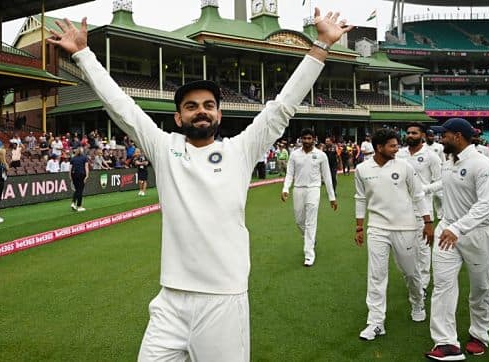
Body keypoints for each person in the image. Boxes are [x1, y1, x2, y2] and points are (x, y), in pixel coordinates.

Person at [48, 8, 352, 361]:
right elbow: (123, 108)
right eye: (191, 107)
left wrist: (321, 46)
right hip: (171, 300)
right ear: (178, 118)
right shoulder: (165, 148)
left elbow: (282, 107)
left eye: (209, 105)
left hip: (223, 298)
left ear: (219, 115)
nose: (201, 111)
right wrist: (84, 55)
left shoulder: (240, 150)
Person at [424, 118, 489, 360]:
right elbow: (446, 187)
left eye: (443, 135)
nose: (439, 139)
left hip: (478, 234)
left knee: (482, 287)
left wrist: (459, 227)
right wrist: (424, 189)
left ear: (457, 136)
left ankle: (479, 334)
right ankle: (446, 343)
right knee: (443, 285)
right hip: (448, 231)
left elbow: (487, 205)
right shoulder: (449, 162)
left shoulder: (483, 165)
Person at [354, 129, 433, 341]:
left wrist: (428, 222)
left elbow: (418, 195)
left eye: (397, 145)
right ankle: (376, 322)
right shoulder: (362, 169)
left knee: (410, 272)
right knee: (376, 275)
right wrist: (359, 227)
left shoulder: (404, 167)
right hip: (377, 228)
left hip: (405, 227)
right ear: (379, 148)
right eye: (392, 145)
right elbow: (360, 198)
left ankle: (417, 302)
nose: (396, 149)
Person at [396, 122, 442, 298]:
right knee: (407, 246)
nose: (410, 135)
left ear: (422, 135)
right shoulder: (399, 154)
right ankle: (412, 278)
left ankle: (423, 283)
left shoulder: (431, 156)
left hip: (423, 208)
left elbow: (441, 181)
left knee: (423, 247)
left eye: (414, 133)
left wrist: (424, 189)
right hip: (401, 207)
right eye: (408, 132)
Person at [281, 128, 337, 267]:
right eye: (304, 138)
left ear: (314, 139)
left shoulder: (321, 155)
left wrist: (332, 197)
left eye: (309, 138)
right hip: (298, 189)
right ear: (301, 140)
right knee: (299, 221)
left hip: (314, 189)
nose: (307, 141)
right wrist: (285, 188)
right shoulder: (294, 155)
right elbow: (289, 173)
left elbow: (327, 176)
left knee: (310, 221)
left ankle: (309, 254)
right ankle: (310, 240)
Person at [69, 147, 89, 212]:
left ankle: (73, 203)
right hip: (81, 175)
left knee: (77, 190)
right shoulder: (84, 158)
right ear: (82, 151)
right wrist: (87, 175)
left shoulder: (73, 158)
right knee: (80, 191)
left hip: (74, 175)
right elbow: (86, 167)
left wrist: (70, 177)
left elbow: (70, 169)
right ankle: (79, 206)